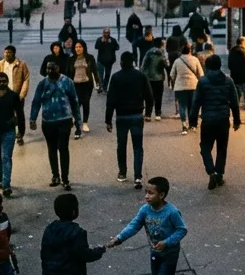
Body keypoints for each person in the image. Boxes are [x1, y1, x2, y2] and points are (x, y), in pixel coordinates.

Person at [106, 177, 192, 275]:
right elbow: (134, 225)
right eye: (146, 192)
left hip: (169, 254)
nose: (146, 196)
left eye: (150, 193)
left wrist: (166, 242)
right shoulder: (145, 210)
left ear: (162, 195)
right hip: (155, 254)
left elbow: (182, 230)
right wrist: (119, 238)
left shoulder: (172, 212)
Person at [190, 54, 240, 190]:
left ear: (207, 67)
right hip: (223, 119)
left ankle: (211, 172)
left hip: (208, 120)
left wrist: (193, 120)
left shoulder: (203, 82)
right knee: (222, 148)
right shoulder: (228, 81)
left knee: (205, 148)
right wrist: (237, 120)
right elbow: (234, 102)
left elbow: (196, 102)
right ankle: (219, 174)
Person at [30, 59, 81, 191]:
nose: (50, 71)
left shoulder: (67, 82)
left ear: (58, 68)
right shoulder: (43, 84)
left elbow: (74, 102)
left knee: (63, 148)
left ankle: (65, 178)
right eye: (48, 69)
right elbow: (36, 101)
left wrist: (78, 121)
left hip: (64, 120)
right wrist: (32, 119)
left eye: (52, 68)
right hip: (48, 122)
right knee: (51, 149)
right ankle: (55, 176)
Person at [106, 51, 154, 188]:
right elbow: (149, 96)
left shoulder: (116, 77)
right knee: (138, 147)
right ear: (133, 62)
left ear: (121, 62)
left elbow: (110, 101)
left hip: (121, 117)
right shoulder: (140, 76)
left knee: (121, 145)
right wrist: (148, 113)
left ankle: (122, 172)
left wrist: (108, 120)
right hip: (137, 116)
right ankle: (138, 176)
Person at [170, 43, 204, 135]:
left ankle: (184, 124)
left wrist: (176, 81)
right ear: (190, 51)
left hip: (180, 87)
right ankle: (192, 125)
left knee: (182, 105)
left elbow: (172, 75)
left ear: (182, 51)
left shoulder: (177, 61)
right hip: (193, 86)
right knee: (192, 106)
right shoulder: (195, 59)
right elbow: (201, 74)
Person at [68, 40, 100, 133]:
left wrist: (97, 82)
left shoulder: (90, 58)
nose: (78, 48)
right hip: (75, 84)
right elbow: (68, 72)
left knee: (86, 102)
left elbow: (94, 70)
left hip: (87, 84)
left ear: (83, 47)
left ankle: (85, 123)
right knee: (77, 103)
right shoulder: (71, 59)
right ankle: (74, 118)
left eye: (80, 47)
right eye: (76, 47)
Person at [141, 38, 171, 121]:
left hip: (148, 78)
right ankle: (158, 114)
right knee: (158, 96)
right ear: (161, 44)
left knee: (148, 96)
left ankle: (148, 114)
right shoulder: (162, 53)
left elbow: (143, 65)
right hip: (159, 77)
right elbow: (166, 64)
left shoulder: (148, 52)